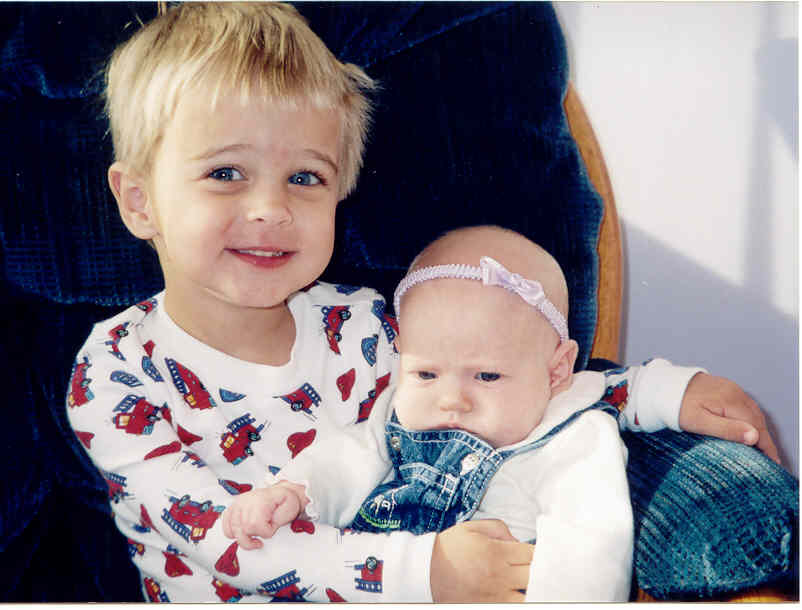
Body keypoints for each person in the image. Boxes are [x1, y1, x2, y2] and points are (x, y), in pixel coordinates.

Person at [65, 2, 779, 603]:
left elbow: (510, 382)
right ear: (139, 200)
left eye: (305, 178)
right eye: (225, 172)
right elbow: (227, 543)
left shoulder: (361, 326)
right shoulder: (117, 369)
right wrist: (426, 570)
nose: (270, 209)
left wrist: (660, 393)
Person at [221, 225, 712, 600]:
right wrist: (296, 492)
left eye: (487, 376)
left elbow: (590, 544)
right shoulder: (398, 415)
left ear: (557, 370)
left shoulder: (573, 437)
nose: (451, 399)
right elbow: (346, 459)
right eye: (426, 373)